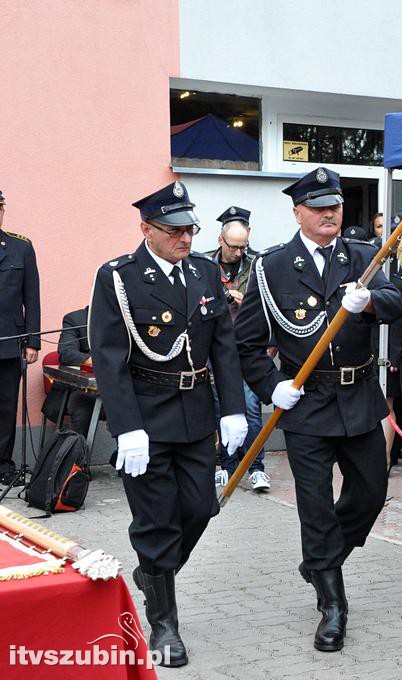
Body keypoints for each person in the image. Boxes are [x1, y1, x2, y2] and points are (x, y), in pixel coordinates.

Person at [235, 166, 402, 652]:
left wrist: (369, 301)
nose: (330, 214)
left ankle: (320, 561)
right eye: (319, 208)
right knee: (314, 507)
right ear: (298, 213)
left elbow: (398, 300)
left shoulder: (365, 256)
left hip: (359, 397)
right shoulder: (272, 268)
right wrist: (272, 387)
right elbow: (247, 343)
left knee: (370, 494)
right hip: (306, 404)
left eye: (335, 206)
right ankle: (332, 602)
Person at [88, 181, 248, 668]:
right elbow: (109, 355)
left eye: (190, 228)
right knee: (156, 519)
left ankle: (155, 572)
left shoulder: (202, 272)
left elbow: (223, 343)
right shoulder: (118, 277)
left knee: (201, 508)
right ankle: (163, 625)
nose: (185, 237)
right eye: (174, 230)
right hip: (147, 417)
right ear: (146, 230)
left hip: (196, 413)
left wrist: (233, 407)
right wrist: (127, 427)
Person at [207, 206, 270, 491]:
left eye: (243, 246)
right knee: (222, 408)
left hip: (247, 348)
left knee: (251, 409)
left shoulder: (259, 265)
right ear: (221, 240)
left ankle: (256, 468)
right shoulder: (206, 266)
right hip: (215, 351)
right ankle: (227, 466)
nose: (239, 253)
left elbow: (269, 308)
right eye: (233, 247)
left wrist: (244, 300)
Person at [0, 188, 40, 486]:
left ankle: (3, 465)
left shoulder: (20, 247)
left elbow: (32, 297)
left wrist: (32, 340)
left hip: (9, 340)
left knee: (5, 405)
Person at [41, 306, 96, 434]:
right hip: (83, 388)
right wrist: (95, 361)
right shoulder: (76, 319)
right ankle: (77, 452)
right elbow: (66, 353)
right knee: (83, 401)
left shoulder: (125, 321)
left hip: (118, 386)